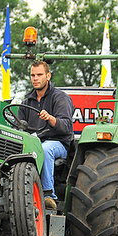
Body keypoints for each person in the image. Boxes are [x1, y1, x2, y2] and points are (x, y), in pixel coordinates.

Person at [18, 61, 74, 210]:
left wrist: (50, 118)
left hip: (58, 143)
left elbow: (66, 127)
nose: (35, 78)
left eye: (39, 75)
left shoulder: (60, 98)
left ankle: (48, 195)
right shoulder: (26, 101)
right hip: (33, 142)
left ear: (48, 76)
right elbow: (18, 127)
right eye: (33, 75)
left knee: (45, 149)